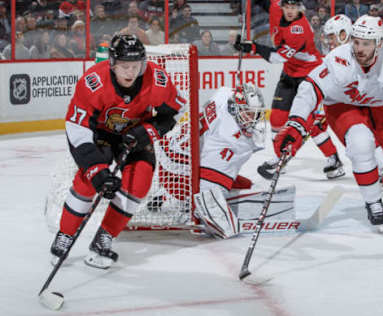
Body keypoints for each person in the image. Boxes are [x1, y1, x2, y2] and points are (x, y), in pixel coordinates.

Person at [273, 15, 383, 231]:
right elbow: (310, 89)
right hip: (343, 106)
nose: (359, 49)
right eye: (356, 42)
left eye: (366, 44)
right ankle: (373, 202)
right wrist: (296, 123)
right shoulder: (338, 58)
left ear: (379, 44)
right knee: (360, 145)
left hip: (380, 108)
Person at [49, 34, 185, 269]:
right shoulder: (93, 83)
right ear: (112, 63)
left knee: (139, 183)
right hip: (100, 135)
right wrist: (97, 172)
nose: (130, 73)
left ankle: (104, 237)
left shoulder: (157, 80)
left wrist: (149, 131)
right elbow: (76, 129)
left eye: (135, 66)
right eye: (124, 66)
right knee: (87, 182)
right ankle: (66, 234)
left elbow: (175, 112)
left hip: (135, 135)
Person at [235, 0, 345, 181]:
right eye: (287, 7)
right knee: (277, 120)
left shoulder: (299, 29)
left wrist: (252, 47)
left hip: (310, 76)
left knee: (310, 124)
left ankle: (333, 160)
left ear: (299, 8)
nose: (291, 11)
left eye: (294, 7)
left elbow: (277, 57)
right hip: (290, 73)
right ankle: (281, 158)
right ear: (282, 7)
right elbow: (266, 5)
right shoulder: (277, 10)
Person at [151, 83, 269, 238]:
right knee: (219, 195)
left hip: (171, 148)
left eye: (255, 114)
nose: (253, 119)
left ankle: (166, 194)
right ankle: (181, 203)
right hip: (178, 173)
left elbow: (226, 92)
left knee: (244, 184)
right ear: (234, 109)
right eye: (248, 113)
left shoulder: (224, 95)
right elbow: (210, 190)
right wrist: (223, 224)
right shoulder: (231, 140)